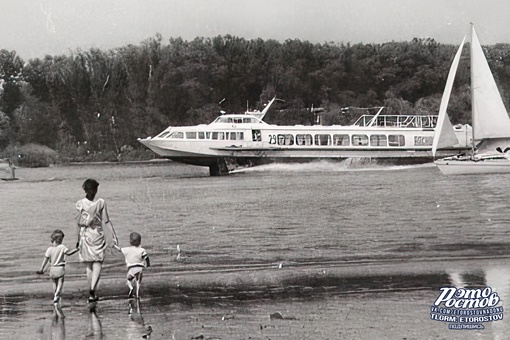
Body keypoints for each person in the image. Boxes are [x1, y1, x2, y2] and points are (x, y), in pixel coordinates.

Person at [76, 178, 118, 302]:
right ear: (95, 190)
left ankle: (91, 292)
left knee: (88, 265)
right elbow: (106, 221)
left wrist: (77, 239)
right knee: (98, 263)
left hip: (85, 235)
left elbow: (78, 222)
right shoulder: (101, 202)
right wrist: (113, 235)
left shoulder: (80, 203)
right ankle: (93, 290)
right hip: (97, 235)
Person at [36, 229, 78, 309]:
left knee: (54, 283)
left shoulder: (49, 249)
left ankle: (55, 294)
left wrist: (41, 269)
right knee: (60, 282)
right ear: (60, 239)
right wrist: (77, 249)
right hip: (60, 268)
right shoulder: (62, 247)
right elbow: (69, 253)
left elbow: (45, 260)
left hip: (52, 269)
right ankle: (57, 294)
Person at [114, 232, 150, 299]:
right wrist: (148, 264)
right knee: (138, 282)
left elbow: (119, 249)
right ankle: (137, 293)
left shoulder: (127, 249)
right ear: (139, 241)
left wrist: (114, 245)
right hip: (140, 268)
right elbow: (146, 258)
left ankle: (131, 288)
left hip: (131, 269)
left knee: (128, 280)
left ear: (130, 241)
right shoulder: (142, 250)